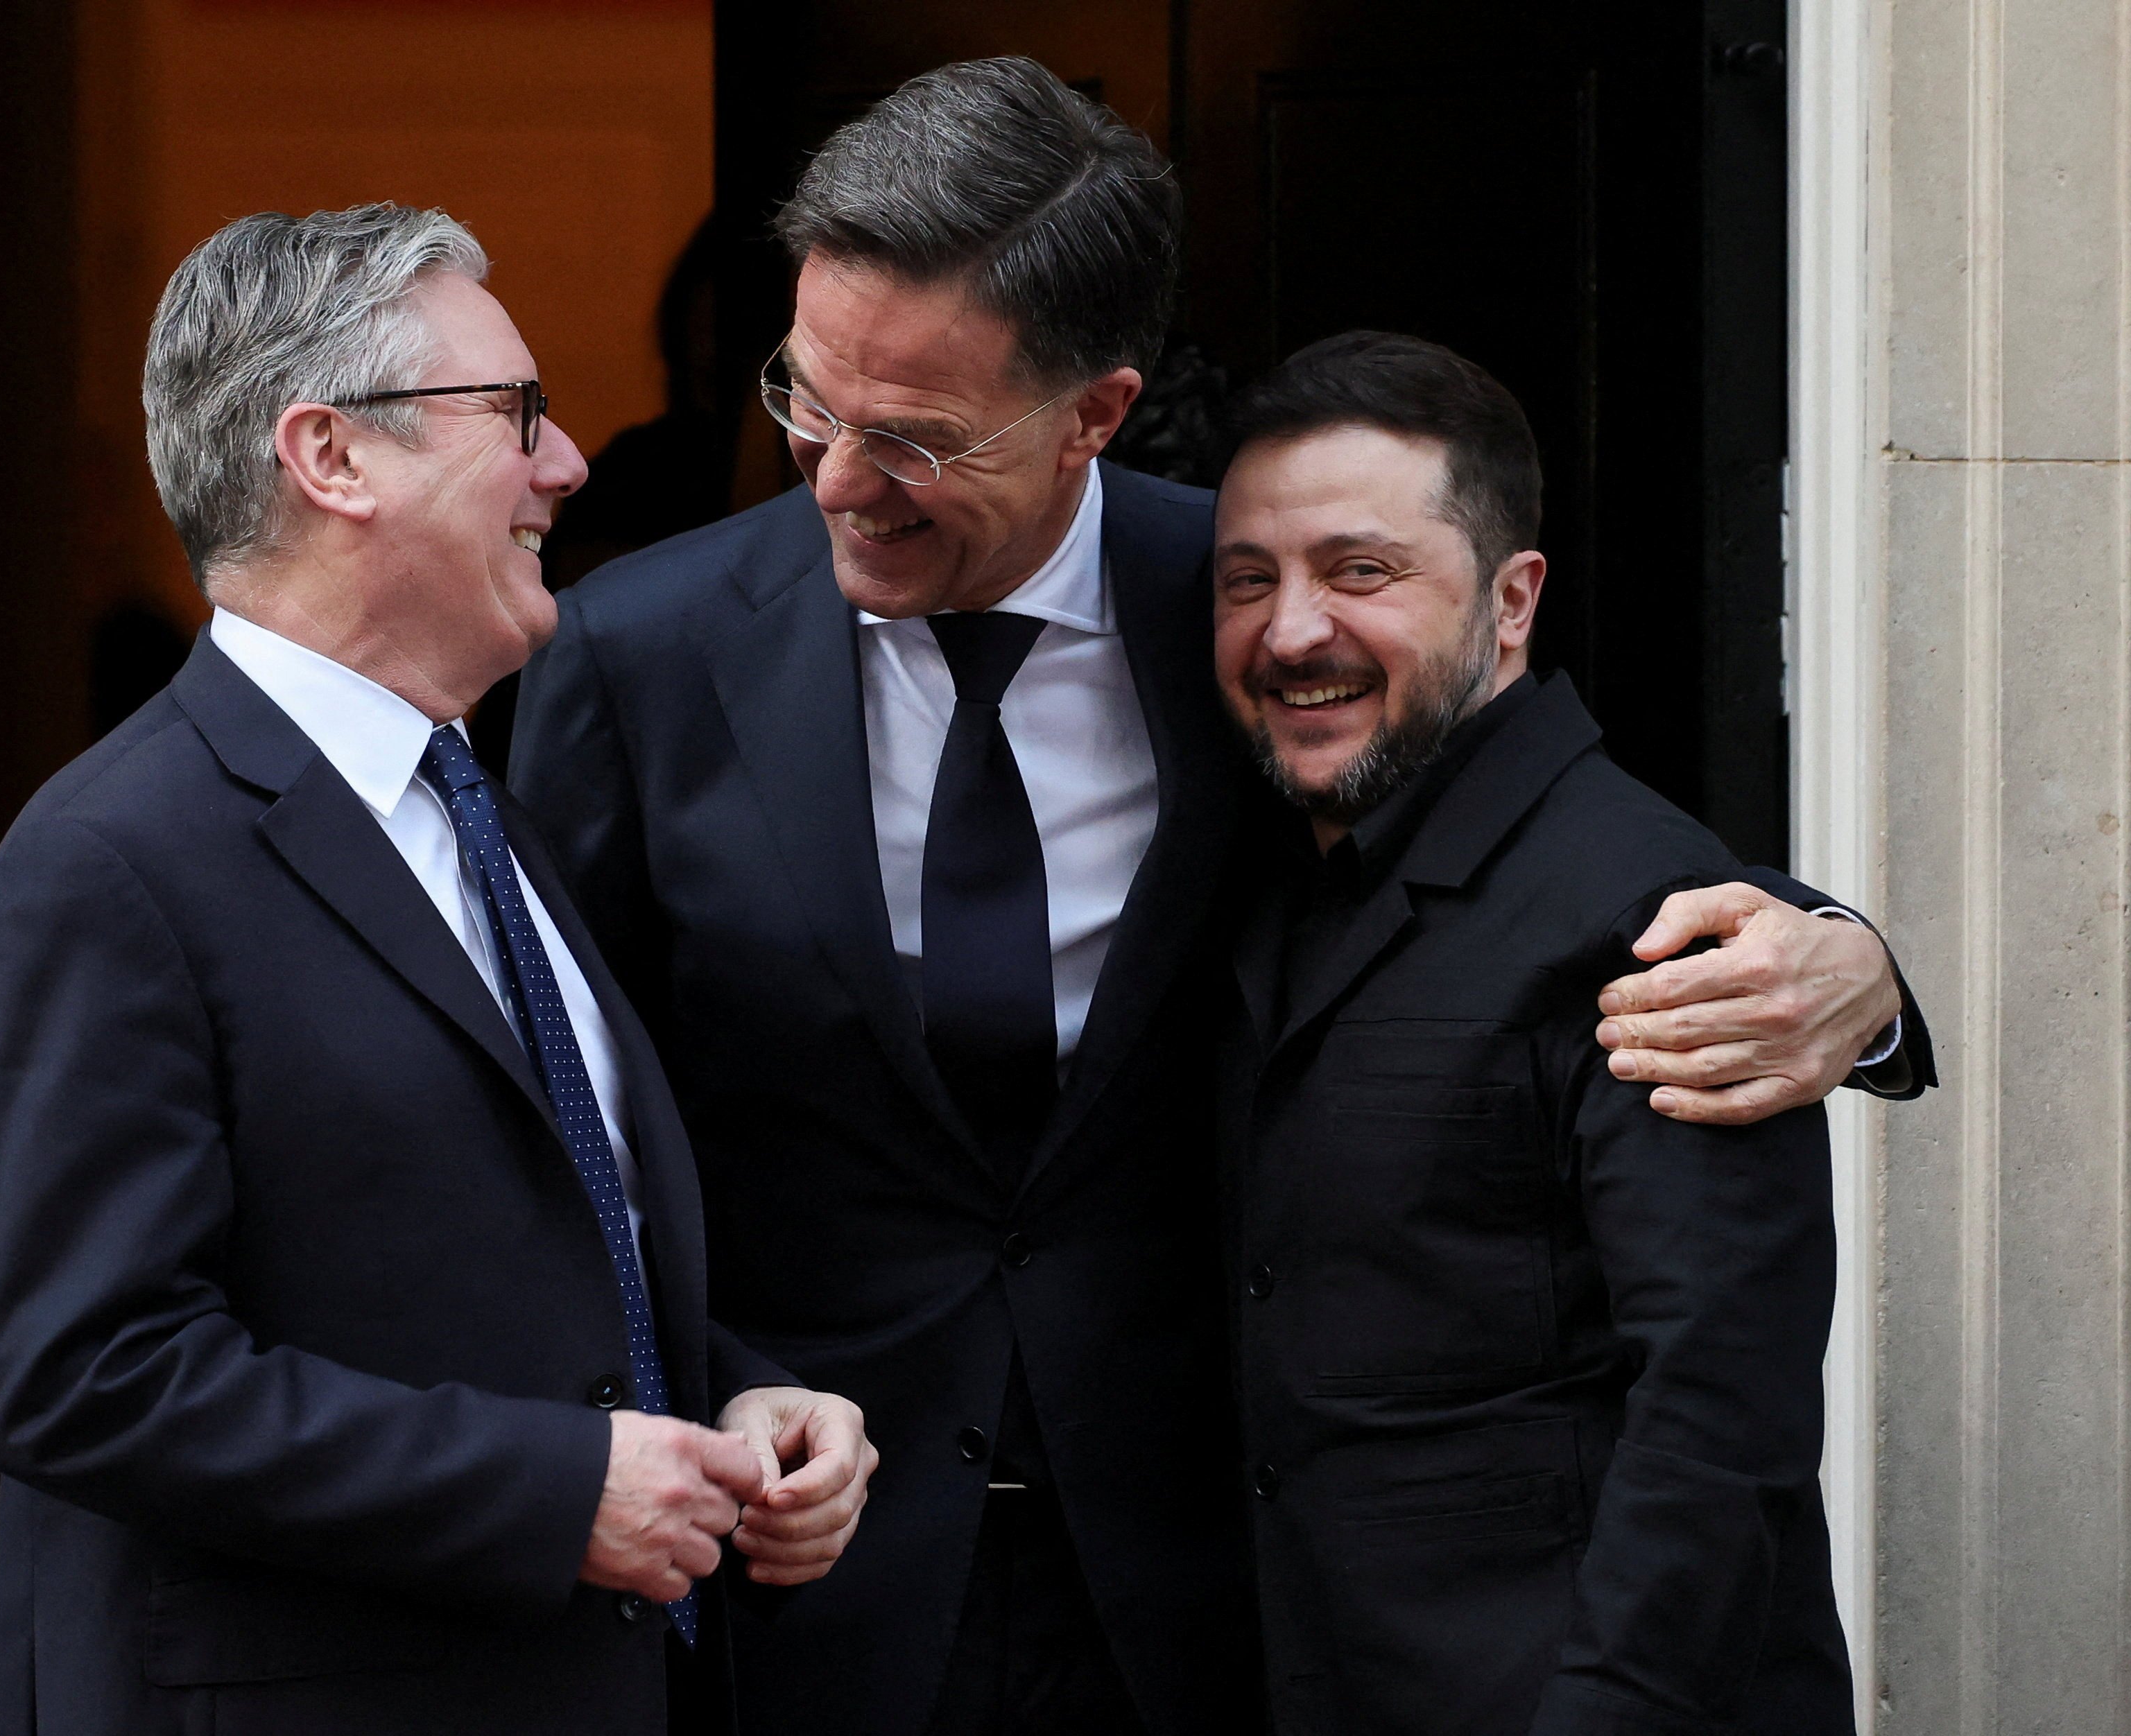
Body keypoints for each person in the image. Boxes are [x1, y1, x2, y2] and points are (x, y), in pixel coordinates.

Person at [508, 59, 1923, 1736]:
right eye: (807, 400)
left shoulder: (1248, 602)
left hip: (1210, 1598)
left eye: (915, 438)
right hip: (807, 1586)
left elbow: (1517, 822)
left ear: (1092, 415)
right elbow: (549, 1099)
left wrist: (1852, 965)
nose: (833, 476)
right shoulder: (641, 650)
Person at [0, 204, 875, 1736]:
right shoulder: (111, 862)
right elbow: (80, 1374)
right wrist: (560, 1490)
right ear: (332, 458)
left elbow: (502, 1265)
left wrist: (730, 1403)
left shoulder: (474, 813)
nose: (567, 462)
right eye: (513, 413)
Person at [1213, 330, 1856, 1734]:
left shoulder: (1655, 919)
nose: (1291, 628)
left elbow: (1715, 1412)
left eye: (1359, 571)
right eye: (1247, 578)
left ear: (1510, 602)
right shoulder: (1263, 876)